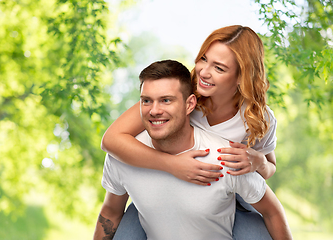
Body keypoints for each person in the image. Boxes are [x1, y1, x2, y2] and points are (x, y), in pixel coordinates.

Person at [100, 25, 278, 239]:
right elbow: (111, 140)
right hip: (159, 191)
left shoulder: (257, 117)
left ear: (242, 76)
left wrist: (259, 163)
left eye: (219, 68)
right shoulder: (179, 94)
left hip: (230, 198)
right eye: (203, 59)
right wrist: (172, 165)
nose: (204, 72)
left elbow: (269, 169)